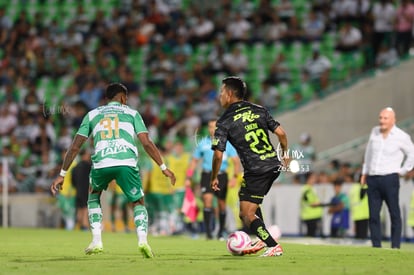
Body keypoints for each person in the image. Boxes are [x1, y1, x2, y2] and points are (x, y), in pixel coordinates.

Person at [50, 83, 176, 258]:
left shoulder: (92, 114)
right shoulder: (132, 113)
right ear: (123, 98)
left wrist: (61, 174)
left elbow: (75, 147)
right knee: (138, 202)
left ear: (106, 99)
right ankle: (142, 241)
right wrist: (164, 167)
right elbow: (146, 142)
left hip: (102, 162)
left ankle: (96, 241)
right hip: (126, 162)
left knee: (93, 196)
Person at [210, 76, 288, 257]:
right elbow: (281, 133)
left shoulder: (224, 121)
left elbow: (218, 155)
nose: (219, 96)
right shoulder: (259, 110)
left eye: (221, 92)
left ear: (229, 94)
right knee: (249, 201)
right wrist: (285, 155)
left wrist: (214, 176)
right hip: (273, 164)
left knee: (245, 214)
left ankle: (272, 245)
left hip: (256, 169)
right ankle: (263, 237)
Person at [360, 107, 414, 249]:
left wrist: (402, 171)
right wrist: (365, 172)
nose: (382, 121)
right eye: (380, 118)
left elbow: (412, 153)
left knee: (394, 213)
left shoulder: (401, 136)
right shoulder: (375, 132)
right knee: (373, 214)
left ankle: (395, 246)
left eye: (385, 118)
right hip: (373, 178)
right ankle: (376, 246)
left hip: (390, 178)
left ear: (393, 120)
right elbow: (368, 153)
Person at [185, 119, 240, 240]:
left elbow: (236, 161)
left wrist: (235, 177)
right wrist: (189, 176)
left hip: (222, 176)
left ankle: (220, 231)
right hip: (207, 175)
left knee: (221, 204)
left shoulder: (226, 143)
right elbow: (194, 161)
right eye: (210, 127)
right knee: (207, 199)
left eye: (215, 127)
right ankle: (209, 232)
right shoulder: (203, 143)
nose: (212, 129)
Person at [71, 149, 91, 231]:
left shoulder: (75, 167)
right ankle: (85, 227)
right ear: (84, 156)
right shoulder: (89, 166)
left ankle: (77, 226)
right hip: (86, 190)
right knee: (85, 209)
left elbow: (73, 181)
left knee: (79, 209)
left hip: (78, 191)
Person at [300, 172, 323, 237]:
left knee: (311, 234)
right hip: (310, 216)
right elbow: (310, 203)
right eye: (313, 178)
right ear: (308, 179)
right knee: (310, 235)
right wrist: (319, 203)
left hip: (312, 215)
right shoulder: (307, 189)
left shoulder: (309, 188)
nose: (314, 180)